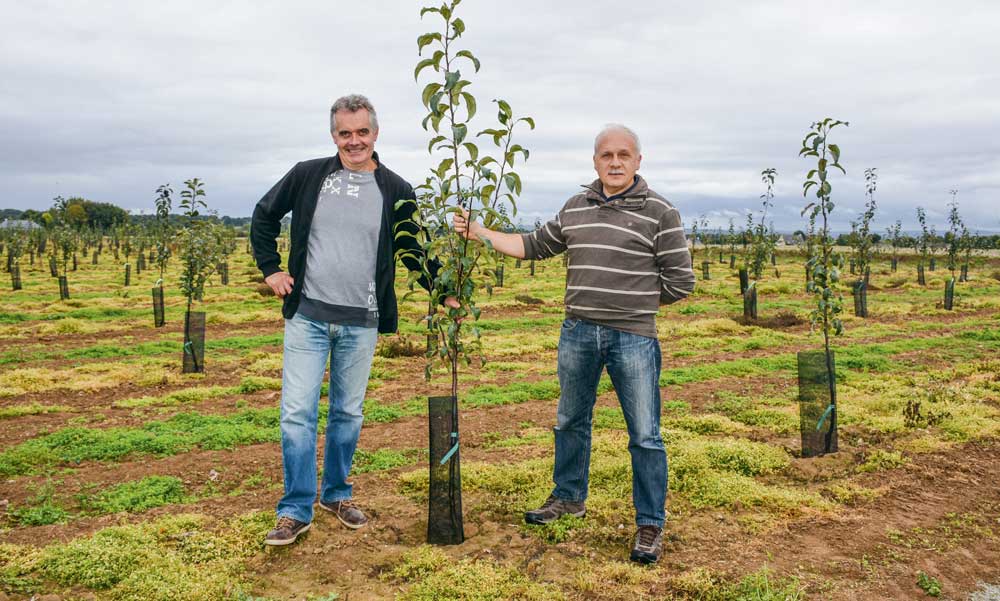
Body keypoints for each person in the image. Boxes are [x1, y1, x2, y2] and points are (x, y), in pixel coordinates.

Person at [452, 124, 694, 563]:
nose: (615, 162)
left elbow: (680, 281)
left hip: (634, 337)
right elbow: (531, 245)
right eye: (606, 155)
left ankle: (649, 523)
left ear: (639, 160)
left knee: (644, 434)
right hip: (578, 331)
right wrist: (479, 233)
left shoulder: (661, 212)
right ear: (595, 161)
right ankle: (568, 498)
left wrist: (634, 302)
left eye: (624, 155)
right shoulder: (574, 207)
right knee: (570, 421)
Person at [252, 94, 455, 546]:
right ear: (334, 136)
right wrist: (271, 268)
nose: (354, 140)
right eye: (345, 133)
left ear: (375, 134)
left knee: (348, 412)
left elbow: (413, 251)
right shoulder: (309, 176)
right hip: (307, 316)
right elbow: (264, 216)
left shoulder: (397, 189)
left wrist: (444, 293)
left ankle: (336, 494)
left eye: (362, 132)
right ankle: (294, 509)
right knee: (296, 414)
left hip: (361, 321)